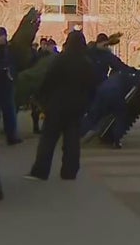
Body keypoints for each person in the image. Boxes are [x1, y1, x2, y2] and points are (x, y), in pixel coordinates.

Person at [27, 30, 99, 181]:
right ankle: (69, 172)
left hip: (56, 106)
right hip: (76, 107)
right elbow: (92, 86)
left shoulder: (60, 60)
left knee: (48, 139)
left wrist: (42, 100)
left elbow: (48, 81)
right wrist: (86, 105)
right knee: (72, 141)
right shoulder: (87, 63)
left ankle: (41, 171)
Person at [29, 39, 58, 133]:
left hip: (49, 84)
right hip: (40, 84)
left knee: (47, 107)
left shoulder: (55, 56)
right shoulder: (39, 56)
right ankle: (36, 126)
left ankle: (45, 126)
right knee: (37, 107)